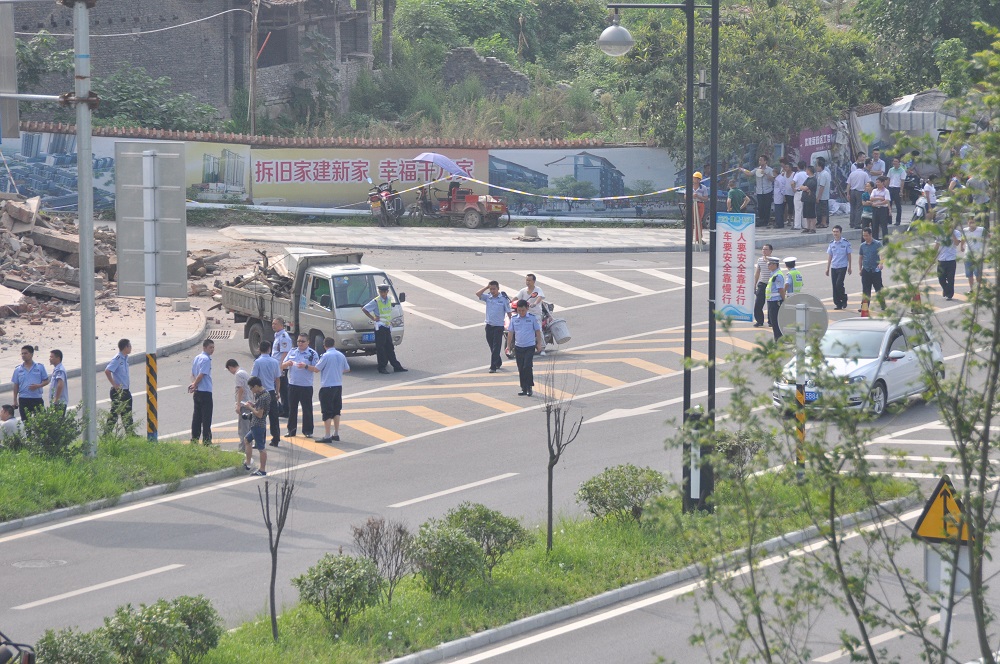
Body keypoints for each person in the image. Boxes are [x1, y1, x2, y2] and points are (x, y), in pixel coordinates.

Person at [311, 337, 350, 443]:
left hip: (327, 386)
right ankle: (336, 433)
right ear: (334, 344)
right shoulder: (341, 355)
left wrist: (305, 366)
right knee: (337, 410)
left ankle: (327, 435)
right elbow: (347, 369)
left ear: (324, 345)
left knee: (327, 411)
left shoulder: (326, 356)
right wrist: (337, 370)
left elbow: (316, 369)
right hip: (338, 385)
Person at [364, 284, 407, 374]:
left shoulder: (389, 299)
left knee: (389, 347)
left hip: (387, 326)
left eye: (384, 292)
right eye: (381, 292)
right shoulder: (376, 301)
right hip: (380, 327)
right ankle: (382, 367)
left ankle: (396, 366)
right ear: (379, 292)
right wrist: (373, 318)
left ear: (387, 292)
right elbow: (364, 309)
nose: (382, 294)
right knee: (381, 348)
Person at [281, 333, 318, 437]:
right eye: (298, 341)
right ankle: (291, 430)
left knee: (307, 409)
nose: (300, 343)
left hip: (306, 386)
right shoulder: (292, 351)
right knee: (292, 409)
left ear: (308, 342)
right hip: (293, 385)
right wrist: (287, 364)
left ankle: (308, 431)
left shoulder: (312, 353)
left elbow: (316, 369)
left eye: (302, 341)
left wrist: (306, 366)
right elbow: (282, 365)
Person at [506, 299, 543, 397]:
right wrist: (508, 346)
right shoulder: (514, 319)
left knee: (527, 366)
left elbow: (537, 331)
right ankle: (523, 388)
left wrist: (539, 344)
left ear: (527, 309)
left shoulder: (532, 318)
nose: (521, 312)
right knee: (521, 368)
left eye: (523, 310)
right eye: (519, 310)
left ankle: (529, 386)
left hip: (530, 346)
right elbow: (510, 333)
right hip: (519, 347)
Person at [251, 341, 283, 447]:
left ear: (260, 349)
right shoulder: (274, 362)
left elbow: (254, 378)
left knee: (260, 418)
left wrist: (253, 393)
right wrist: (277, 392)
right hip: (271, 392)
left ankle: (260, 440)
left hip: (261, 392)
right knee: (274, 417)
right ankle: (276, 439)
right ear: (269, 349)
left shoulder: (258, 362)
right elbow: (277, 379)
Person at [476, 280, 511, 373]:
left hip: (498, 326)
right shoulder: (488, 297)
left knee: (496, 347)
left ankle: (493, 367)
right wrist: (486, 287)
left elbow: (509, 312)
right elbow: (478, 294)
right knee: (492, 346)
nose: (492, 291)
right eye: (491, 289)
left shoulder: (503, 299)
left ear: (498, 288)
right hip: (489, 325)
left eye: (494, 289)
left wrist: (512, 324)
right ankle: (498, 361)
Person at [241, 376, 271, 477]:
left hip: (258, 425)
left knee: (261, 448)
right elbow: (259, 407)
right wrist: (253, 405)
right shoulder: (264, 394)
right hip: (257, 424)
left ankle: (262, 470)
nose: (251, 390)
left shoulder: (262, 397)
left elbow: (259, 414)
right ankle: (248, 463)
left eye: (251, 388)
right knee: (247, 440)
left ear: (257, 386)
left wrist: (249, 407)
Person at [189, 339, 215, 446]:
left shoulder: (197, 358)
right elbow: (201, 374)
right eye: (210, 347)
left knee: (196, 417)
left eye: (213, 347)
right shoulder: (206, 359)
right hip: (205, 392)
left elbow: (192, 374)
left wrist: (194, 384)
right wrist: (195, 384)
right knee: (206, 418)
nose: (212, 350)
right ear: (204, 348)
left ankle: (194, 439)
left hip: (198, 392)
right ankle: (207, 441)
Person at [12, 345, 48, 421]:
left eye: (25, 353)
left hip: (36, 398)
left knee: (40, 422)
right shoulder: (18, 369)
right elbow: (16, 385)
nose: (23, 355)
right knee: (25, 422)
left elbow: (46, 380)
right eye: (22, 354)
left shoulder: (39, 367)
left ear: (31, 354)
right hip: (23, 399)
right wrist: (15, 400)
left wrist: (38, 385)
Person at [104, 338, 132, 429]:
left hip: (125, 390)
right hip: (118, 392)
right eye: (129, 346)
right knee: (114, 415)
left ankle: (130, 433)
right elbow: (107, 371)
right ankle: (106, 434)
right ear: (125, 347)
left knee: (127, 413)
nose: (131, 348)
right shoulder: (117, 359)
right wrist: (114, 384)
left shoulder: (125, 358)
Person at [740, 155, 774, 228]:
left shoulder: (770, 170)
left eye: (761, 160)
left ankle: (766, 221)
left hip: (768, 190)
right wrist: (742, 169)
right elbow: (749, 173)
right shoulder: (756, 169)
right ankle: (761, 220)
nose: (760, 161)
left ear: (765, 161)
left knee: (767, 206)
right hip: (759, 191)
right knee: (760, 206)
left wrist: (765, 173)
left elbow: (772, 179)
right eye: (759, 160)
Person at [226, 359, 251, 452]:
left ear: (230, 367)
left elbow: (240, 389)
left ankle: (243, 449)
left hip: (244, 404)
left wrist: (238, 404)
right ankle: (247, 448)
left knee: (243, 429)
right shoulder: (244, 372)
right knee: (247, 427)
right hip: (249, 402)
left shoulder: (238, 374)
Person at [826, 225, 852, 310]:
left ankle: (844, 298)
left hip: (843, 266)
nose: (835, 233)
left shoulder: (845, 243)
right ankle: (838, 303)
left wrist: (850, 267)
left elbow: (849, 255)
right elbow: (830, 256)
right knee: (834, 285)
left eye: (837, 232)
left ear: (840, 232)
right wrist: (827, 268)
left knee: (839, 284)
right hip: (834, 266)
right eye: (834, 232)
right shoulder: (831, 243)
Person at [934, 222, 962, 301]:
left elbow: (956, 243)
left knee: (950, 279)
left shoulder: (957, 233)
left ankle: (950, 295)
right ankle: (946, 290)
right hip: (941, 259)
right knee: (941, 279)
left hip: (951, 259)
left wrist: (952, 234)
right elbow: (937, 245)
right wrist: (932, 256)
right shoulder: (940, 233)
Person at [271, 318, 293, 417]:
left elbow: (285, 352)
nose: (273, 325)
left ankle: (286, 410)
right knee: (279, 388)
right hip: (276, 366)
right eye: (272, 323)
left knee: (283, 389)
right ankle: (283, 408)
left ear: (281, 325)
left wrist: (281, 367)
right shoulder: (278, 335)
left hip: (280, 367)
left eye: (275, 324)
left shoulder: (284, 337)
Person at [857, 228, 884, 307]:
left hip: (875, 270)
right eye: (864, 236)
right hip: (866, 270)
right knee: (866, 290)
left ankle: (882, 304)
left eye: (867, 235)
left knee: (878, 289)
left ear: (871, 235)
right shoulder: (862, 246)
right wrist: (860, 268)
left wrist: (881, 263)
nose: (865, 237)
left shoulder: (877, 244)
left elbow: (881, 254)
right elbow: (860, 257)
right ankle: (864, 306)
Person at [752, 244, 774, 328]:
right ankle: (759, 321)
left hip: (771, 285)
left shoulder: (774, 261)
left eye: (766, 249)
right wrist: (755, 284)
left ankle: (771, 321)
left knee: (771, 304)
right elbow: (757, 272)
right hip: (762, 284)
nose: (764, 251)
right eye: (763, 249)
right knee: (758, 303)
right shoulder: (760, 260)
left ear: (771, 251)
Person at [962, 216, 985, 293]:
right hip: (968, 255)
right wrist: (962, 246)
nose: (971, 224)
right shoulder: (965, 230)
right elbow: (963, 238)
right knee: (969, 274)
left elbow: (988, 236)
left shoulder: (981, 230)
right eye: (970, 222)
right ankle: (972, 289)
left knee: (977, 273)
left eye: (973, 222)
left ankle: (978, 288)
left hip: (977, 255)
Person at [764, 258, 786, 341]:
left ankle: (779, 338)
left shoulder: (778, 275)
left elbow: (781, 289)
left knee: (776, 321)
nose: (768, 265)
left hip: (775, 301)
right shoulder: (773, 273)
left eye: (769, 264)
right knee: (773, 321)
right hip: (771, 300)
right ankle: (777, 338)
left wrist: (784, 300)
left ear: (775, 265)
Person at [846, 156, 869, 230]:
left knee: (852, 207)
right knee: (859, 208)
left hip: (852, 191)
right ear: (863, 167)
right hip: (860, 192)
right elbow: (867, 184)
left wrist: (847, 193)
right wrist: (866, 192)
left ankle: (851, 223)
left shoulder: (852, 173)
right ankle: (857, 224)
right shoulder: (864, 174)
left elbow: (848, 184)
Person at [887, 157, 907, 226]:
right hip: (890, 188)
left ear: (899, 163)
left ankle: (898, 221)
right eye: (894, 161)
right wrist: (887, 188)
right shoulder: (891, 170)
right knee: (889, 204)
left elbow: (902, 181)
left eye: (896, 161)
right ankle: (889, 220)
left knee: (898, 205)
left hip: (897, 188)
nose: (894, 163)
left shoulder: (902, 171)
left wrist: (901, 190)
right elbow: (888, 179)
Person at [799, 165, 818, 234]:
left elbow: (805, 188)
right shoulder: (807, 179)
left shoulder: (813, 179)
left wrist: (805, 188)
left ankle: (813, 228)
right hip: (806, 199)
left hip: (810, 199)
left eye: (807, 170)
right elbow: (801, 186)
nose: (806, 171)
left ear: (809, 171)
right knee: (806, 214)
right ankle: (808, 227)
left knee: (812, 214)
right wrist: (804, 188)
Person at [815, 156, 831, 229]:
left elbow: (822, 186)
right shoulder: (820, 174)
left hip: (823, 196)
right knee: (820, 210)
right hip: (821, 195)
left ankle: (824, 223)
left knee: (823, 210)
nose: (816, 168)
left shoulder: (824, 174)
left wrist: (818, 197)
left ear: (820, 166)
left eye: (817, 166)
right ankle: (821, 222)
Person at [792, 160, 808, 230]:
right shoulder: (807, 174)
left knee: (798, 209)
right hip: (806, 192)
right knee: (805, 209)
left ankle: (797, 225)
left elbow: (792, 182)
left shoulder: (797, 174)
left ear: (798, 167)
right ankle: (805, 225)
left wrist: (794, 189)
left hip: (798, 192)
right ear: (805, 167)